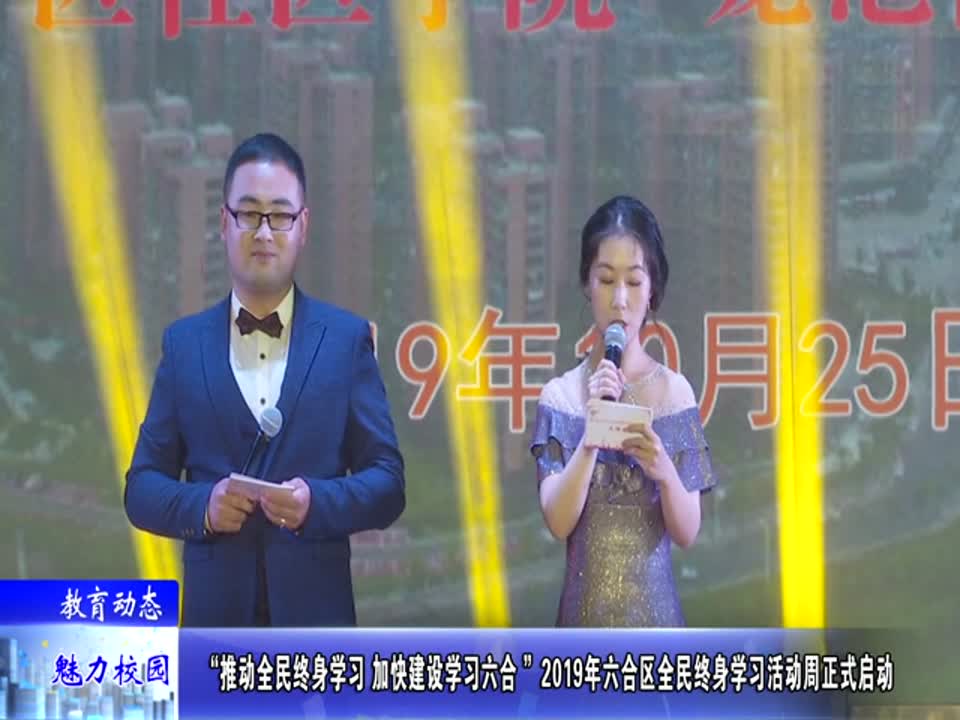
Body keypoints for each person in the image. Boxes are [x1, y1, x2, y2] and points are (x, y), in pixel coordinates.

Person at [124, 133, 405, 627]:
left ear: (303, 226)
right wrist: (204, 506)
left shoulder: (345, 340)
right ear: (223, 223)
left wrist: (315, 502)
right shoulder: (184, 345)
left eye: (280, 215)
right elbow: (142, 488)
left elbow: (387, 483)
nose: (264, 232)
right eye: (249, 214)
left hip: (316, 633)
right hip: (214, 632)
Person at [531, 195, 715, 627]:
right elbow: (558, 522)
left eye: (633, 281)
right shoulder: (561, 396)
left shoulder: (673, 393)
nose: (619, 300)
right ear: (586, 284)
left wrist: (664, 470)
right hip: (581, 636)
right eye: (605, 279)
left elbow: (687, 532)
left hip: (657, 636)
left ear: (652, 290)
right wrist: (591, 437)